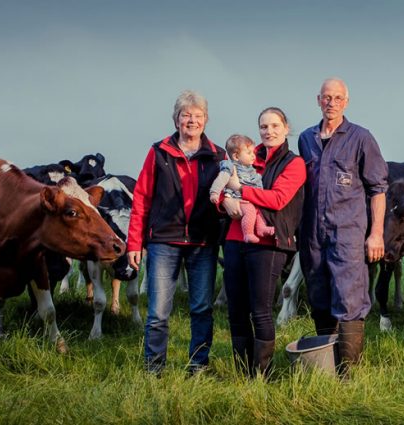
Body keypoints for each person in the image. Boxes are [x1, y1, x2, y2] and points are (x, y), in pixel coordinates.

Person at [127, 90, 225, 376]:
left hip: (202, 241)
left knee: (202, 308)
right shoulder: (159, 152)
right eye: (186, 115)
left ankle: (198, 366)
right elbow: (142, 197)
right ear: (176, 119)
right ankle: (154, 369)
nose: (191, 121)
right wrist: (135, 242)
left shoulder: (218, 155)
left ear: (206, 120)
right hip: (163, 242)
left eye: (197, 116)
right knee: (158, 311)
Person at [297, 78, 388, 375]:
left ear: (346, 102)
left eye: (337, 98)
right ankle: (325, 365)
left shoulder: (361, 138)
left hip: (347, 232)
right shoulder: (306, 138)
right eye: (326, 97)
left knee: (349, 298)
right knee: (319, 296)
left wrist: (376, 234)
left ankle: (347, 372)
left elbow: (378, 189)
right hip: (312, 233)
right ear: (318, 100)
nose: (331, 103)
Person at [220, 107, 305, 377]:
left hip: (269, 242)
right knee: (236, 310)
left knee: (260, 310)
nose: (268, 131)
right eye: (264, 127)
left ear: (286, 128)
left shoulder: (294, 164)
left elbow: (279, 199)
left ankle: (263, 374)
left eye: (274, 126)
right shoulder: (244, 156)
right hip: (234, 239)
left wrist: (240, 190)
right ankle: (242, 372)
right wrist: (226, 200)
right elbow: (222, 188)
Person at [210, 135, 275, 243]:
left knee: (258, 210)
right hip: (238, 198)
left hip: (250, 198)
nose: (253, 156)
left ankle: (260, 228)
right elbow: (221, 179)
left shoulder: (251, 169)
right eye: (249, 153)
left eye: (253, 152)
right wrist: (214, 192)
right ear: (236, 156)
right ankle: (248, 233)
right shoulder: (230, 166)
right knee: (250, 211)